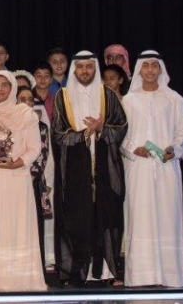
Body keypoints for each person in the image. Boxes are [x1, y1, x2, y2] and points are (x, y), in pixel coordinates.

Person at [52, 50, 128, 286]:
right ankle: (76, 274)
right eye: (80, 67)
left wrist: (101, 129)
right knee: (77, 220)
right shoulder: (63, 96)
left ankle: (107, 273)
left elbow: (122, 127)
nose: (85, 71)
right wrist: (83, 134)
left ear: (95, 68)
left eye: (89, 66)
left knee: (106, 218)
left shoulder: (108, 95)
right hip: (75, 171)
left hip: (105, 168)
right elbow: (58, 133)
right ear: (74, 69)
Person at [0, 71, 46, 292]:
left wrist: (19, 162)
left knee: (17, 227)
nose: (0, 89)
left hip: (17, 179)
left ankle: (20, 281)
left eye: (5, 85)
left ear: (13, 87)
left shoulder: (26, 115)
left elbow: (34, 147)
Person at [121, 51, 183, 288]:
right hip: (138, 168)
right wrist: (133, 149)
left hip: (167, 167)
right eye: (146, 66)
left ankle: (170, 276)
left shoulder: (173, 99)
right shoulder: (128, 101)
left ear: (160, 69)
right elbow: (121, 136)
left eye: (154, 66)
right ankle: (141, 276)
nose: (150, 70)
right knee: (139, 218)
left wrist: (175, 149)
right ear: (139, 70)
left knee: (168, 218)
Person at [18, 86, 52, 272]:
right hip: (11, 184)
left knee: (35, 228)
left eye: (29, 99)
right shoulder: (8, 125)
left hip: (32, 183)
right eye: (22, 99)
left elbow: (42, 155)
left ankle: (36, 272)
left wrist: (27, 175)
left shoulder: (41, 127)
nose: (26, 103)